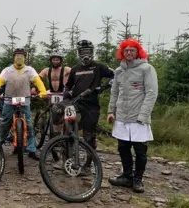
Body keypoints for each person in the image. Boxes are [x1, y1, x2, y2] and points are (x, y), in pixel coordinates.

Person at [52, 39, 115, 174]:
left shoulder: (99, 67)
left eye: (88, 51)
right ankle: (61, 143)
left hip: (91, 105)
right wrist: (67, 92)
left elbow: (116, 75)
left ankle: (87, 165)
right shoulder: (75, 69)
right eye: (82, 52)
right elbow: (68, 85)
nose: (85, 54)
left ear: (92, 52)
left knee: (89, 136)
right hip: (75, 102)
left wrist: (103, 87)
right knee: (57, 110)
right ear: (79, 53)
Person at [107, 39, 158, 193]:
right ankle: (126, 176)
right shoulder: (119, 71)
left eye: (132, 50)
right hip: (122, 117)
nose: (129, 53)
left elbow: (151, 93)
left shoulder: (146, 69)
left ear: (138, 52)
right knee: (123, 148)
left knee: (140, 150)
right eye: (126, 50)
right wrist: (111, 111)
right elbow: (114, 92)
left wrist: (143, 115)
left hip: (138, 118)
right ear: (122, 52)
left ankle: (138, 180)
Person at [0, 48, 47, 159]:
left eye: (21, 56)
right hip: (9, 100)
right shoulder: (7, 70)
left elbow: (37, 81)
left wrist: (43, 91)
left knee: (29, 125)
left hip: (24, 100)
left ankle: (31, 150)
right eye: (17, 56)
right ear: (14, 58)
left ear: (24, 58)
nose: (19, 58)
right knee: (5, 123)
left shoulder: (29, 70)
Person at [38, 50, 71, 134]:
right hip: (51, 92)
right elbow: (37, 79)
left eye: (57, 60)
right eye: (54, 59)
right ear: (51, 60)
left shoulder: (66, 69)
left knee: (63, 111)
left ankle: (64, 128)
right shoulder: (46, 70)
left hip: (63, 92)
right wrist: (35, 88)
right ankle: (43, 121)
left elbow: (75, 73)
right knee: (51, 109)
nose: (55, 61)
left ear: (61, 60)